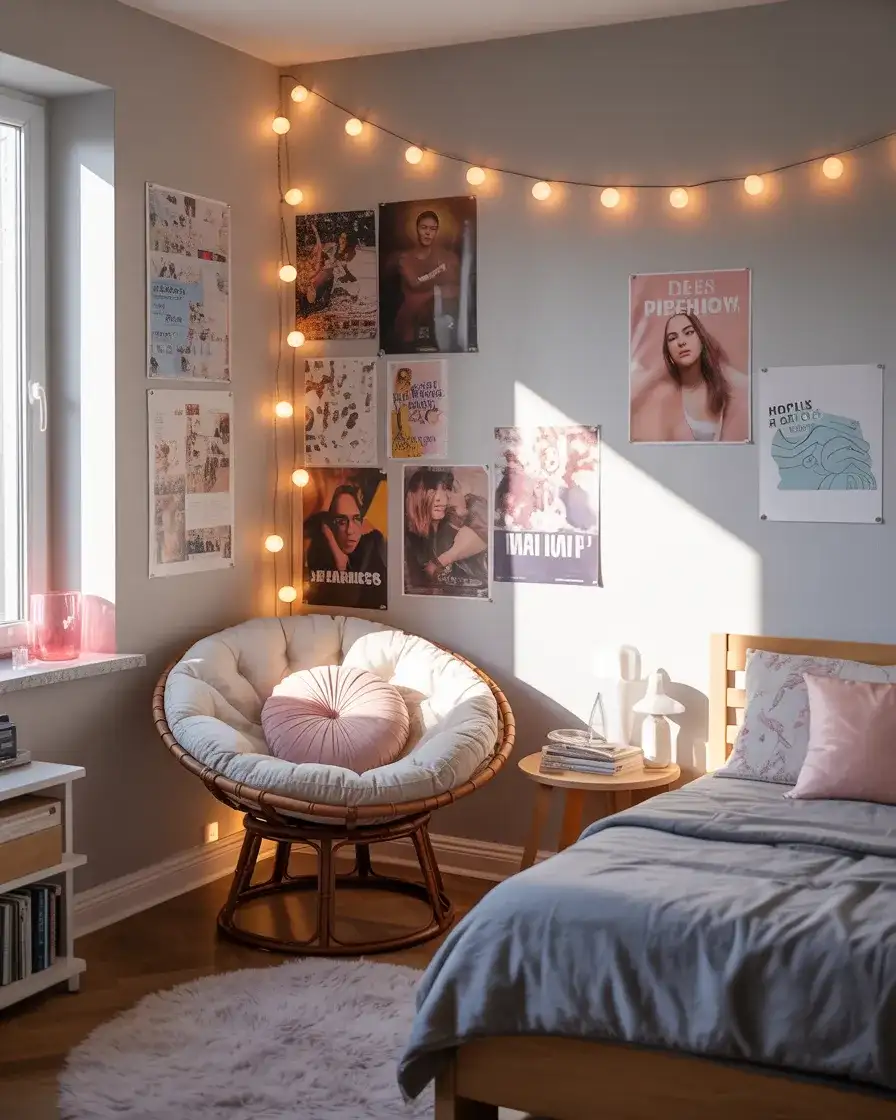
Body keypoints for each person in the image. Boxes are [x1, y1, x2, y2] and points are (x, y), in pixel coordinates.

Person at [630, 312, 749, 442]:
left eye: (688, 333)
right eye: (672, 338)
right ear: (668, 351)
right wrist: (655, 375)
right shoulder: (664, 396)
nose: (681, 342)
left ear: (701, 339)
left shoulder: (728, 387)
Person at [404, 468, 487, 594]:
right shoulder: (409, 537)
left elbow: (485, 533)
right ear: (415, 495)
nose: (440, 498)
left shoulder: (470, 508)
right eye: (431, 490)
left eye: (445, 489)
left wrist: (439, 562)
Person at [304, 485, 387, 608]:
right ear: (330, 526)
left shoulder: (373, 544)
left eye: (356, 519)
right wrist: (335, 549)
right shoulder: (319, 549)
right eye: (341, 522)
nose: (350, 530)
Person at [392, 211, 460, 350]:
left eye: (432, 229)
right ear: (416, 229)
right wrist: (438, 284)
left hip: (439, 325)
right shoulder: (405, 259)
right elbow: (415, 283)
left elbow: (455, 289)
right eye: (424, 228)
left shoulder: (447, 257)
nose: (428, 233)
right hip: (409, 325)